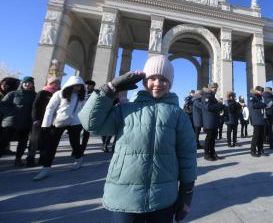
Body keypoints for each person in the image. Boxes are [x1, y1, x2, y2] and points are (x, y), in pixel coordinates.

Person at [79, 55, 196, 223]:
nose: (157, 83)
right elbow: (90, 123)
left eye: (163, 79)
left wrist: (186, 195)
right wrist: (110, 88)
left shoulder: (178, 115)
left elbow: (187, 156)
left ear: (170, 83)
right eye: (152, 78)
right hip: (125, 197)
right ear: (144, 81)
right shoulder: (125, 109)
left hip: (163, 198)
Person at [33, 76, 86, 180]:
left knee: (75, 143)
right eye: (76, 85)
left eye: (80, 85)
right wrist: (46, 125)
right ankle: (46, 168)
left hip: (75, 123)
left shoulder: (82, 97)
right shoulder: (59, 94)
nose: (78, 87)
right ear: (70, 84)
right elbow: (50, 109)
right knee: (52, 145)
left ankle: (79, 159)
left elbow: (84, 110)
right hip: (59, 122)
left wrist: (83, 123)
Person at [0, 76, 36, 166]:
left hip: (25, 123)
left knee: (23, 143)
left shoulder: (35, 95)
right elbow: (2, 105)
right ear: (22, 83)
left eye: (30, 83)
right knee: (3, 142)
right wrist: (12, 112)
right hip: (11, 122)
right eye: (26, 82)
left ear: (32, 84)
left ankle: (18, 159)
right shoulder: (13, 93)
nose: (27, 84)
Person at [27, 77, 61, 167]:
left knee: (47, 140)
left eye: (58, 83)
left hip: (51, 121)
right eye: (55, 82)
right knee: (34, 141)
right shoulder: (42, 93)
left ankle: (42, 159)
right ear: (50, 83)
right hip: (39, 121)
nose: (57, 84)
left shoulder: (58, 94)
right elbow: (35, 107)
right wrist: (35, 119)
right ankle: (30, 159)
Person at [202, 82, 225, 161]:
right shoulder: (207, 96)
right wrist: (220, 105)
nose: (216, 90)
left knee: (213, 138)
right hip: (209, 121)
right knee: (209, 138)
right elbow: (208, 107)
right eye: (214, 88)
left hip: (213, 120)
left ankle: (212, 153)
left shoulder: (212, 96)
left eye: (216, 88)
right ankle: (206, 154)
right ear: (210, 88)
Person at [0, 77, 21, 156]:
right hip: (3, 116)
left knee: (5, 135)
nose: (4, 86)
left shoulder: (12, 93)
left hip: (6, 118)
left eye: (6, 85)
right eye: (4, 84)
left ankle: (5, 149)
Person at [248, 86, 269, 157]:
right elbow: (253, 105)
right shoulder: (253, 96)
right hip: (256, 118)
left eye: (262, 91)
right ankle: (253, 151)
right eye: (260, 91)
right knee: (256, 136)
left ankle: (260, 149)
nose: (261, 92)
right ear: (256, 90)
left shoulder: (261, 97)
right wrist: (263, 105)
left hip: (262, 118)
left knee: (261, 136)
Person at [80, 80, 96, 154]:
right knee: (76, 133)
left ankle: (82, 149)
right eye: (86, 85)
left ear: (93, 86)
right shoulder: (81, 92)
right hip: (79, 116)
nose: (87, 86)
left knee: (86, 134)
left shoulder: (96, 94)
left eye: (89, 85)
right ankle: (76, 149)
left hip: (89, 116)